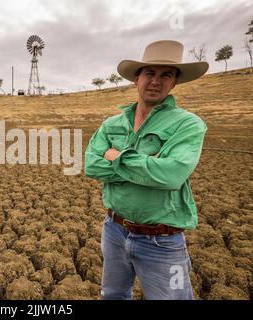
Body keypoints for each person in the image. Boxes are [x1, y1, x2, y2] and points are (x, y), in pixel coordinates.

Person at [84, 40, 209, 300]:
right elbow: (91, 165)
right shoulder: (112, 124)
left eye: (166, 75)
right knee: (113, 295)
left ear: (174, 82)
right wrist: (147, 163)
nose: (156, 81)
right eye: (149, 73)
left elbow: (171, 175)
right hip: (114, 230)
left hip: (161, 241)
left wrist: (115, 157)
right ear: (136, 78)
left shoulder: (188, 124)